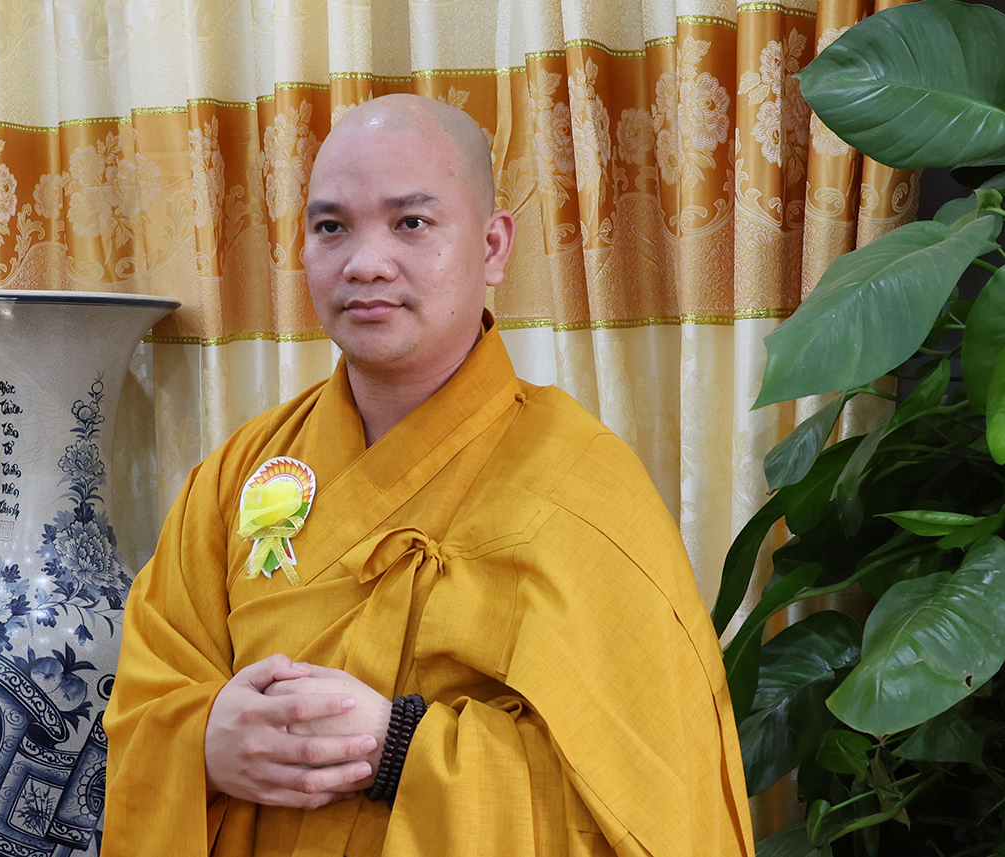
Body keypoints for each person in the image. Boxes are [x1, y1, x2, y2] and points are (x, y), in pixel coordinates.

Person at [103, 94, 753, 856]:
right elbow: (147, 699)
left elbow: (653, 799)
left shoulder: (581, 485)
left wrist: (399, 745)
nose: (365, 263)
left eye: (410, 223)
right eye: (331, 227)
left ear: (494, 245)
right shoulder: (240, 474)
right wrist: (204, 741)